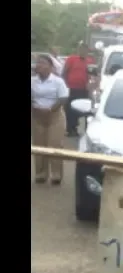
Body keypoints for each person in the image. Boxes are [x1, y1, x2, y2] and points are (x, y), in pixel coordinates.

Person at [32, 54, 69, 185]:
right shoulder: (33, 81)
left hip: (55, 116)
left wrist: (50, 109)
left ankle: (56, 175)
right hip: (37, 116)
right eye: (38, 63)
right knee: (39, 146)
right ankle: (41, 174)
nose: (39, 65)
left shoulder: (58, 81)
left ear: (51, 67)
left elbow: (63, 98)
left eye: (42, 63)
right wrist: (35, 108)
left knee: (55, 145)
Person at [61, 42, 95, 137]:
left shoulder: (90, 61)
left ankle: (82, 129)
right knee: (70, 110)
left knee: (83, 110)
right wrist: (64, 86)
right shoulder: (71, 59)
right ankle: (70, 129)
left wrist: (91, 87)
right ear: (78, 50)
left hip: (84, 89)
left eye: (85, 50)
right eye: (81, 49)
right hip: (71, 88)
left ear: (88, 51)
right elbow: (64, 72)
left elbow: (93, 75)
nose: (83, 51)